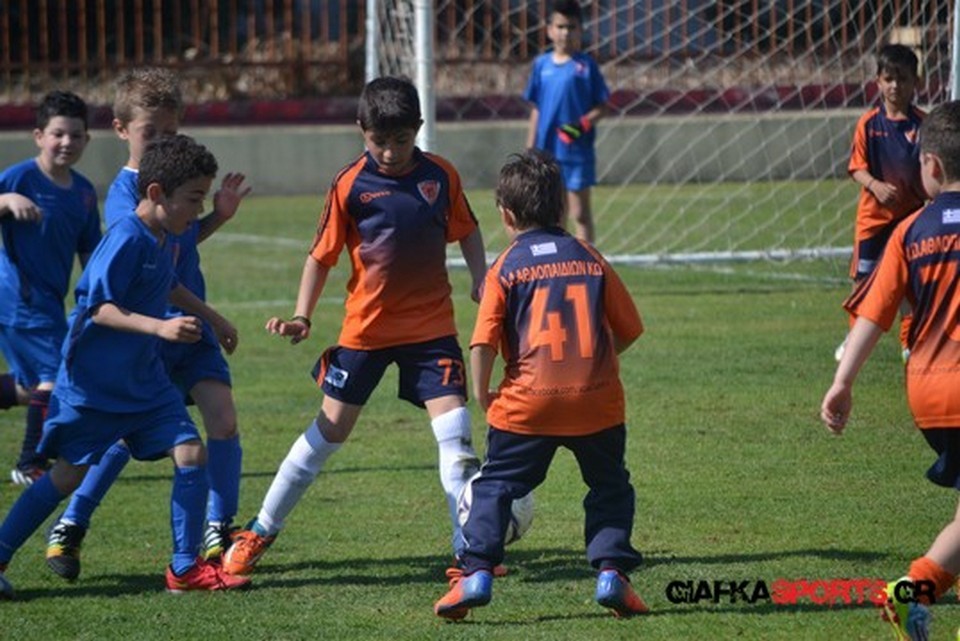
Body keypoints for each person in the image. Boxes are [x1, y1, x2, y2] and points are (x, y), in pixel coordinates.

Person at [221, 76, 487, 577]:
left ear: (418, 129)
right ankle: (260, 529)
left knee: (455, 434)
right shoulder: (349, 185)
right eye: (379, 141)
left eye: (401, 140)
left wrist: (480, 278)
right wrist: (302, 316)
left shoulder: (441, 175)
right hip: (366, 332)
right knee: (329, 430)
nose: (389, 152)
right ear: (361, 129)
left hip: (431, 330)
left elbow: (468, 231)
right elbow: (320, 257)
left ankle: (469, 552)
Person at [0, 135, 250, 598]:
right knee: (67, 475)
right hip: (94, 386)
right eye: (193, 198)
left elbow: (168, 285)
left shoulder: (160, 236)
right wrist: (159, 327)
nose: (199, 209)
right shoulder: (125, 238)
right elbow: (99, 309)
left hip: (144, 382)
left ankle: (184, 567)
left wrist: (215, 319)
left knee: (191, 452)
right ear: (156, 193)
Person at [434, 150, 647, 620]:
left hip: (527, 403)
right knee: (610, 486)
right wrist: (593, 366)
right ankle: (612, 573)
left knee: (494, 486)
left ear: (506, 215)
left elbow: (483, 342)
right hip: (597, 403)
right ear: (563, 208)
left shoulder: (506, 267)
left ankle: (476, 573)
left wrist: (483, 393)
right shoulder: (590, 257)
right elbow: (630, 329)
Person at [819, 100, 960, 641]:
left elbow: (873, 315)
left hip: (927, 391)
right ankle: (911, 592)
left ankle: (916, 597)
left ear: (931, 166)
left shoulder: (909, 231)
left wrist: (842, 383)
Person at [0, 90, 101, 486]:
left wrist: (101, 296)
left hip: (49, 303)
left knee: (33, 385)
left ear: (87, 139)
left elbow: (90, 252)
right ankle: (31, 463)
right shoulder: (19, 178)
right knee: (58, 378)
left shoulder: (83, 192)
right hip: (18, 297)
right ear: (39, 136)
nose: (66, 142)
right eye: (58, 134)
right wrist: (6, 200)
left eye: (75, 135)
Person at [836, 43, 926, 362]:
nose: (895, 86)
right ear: (878, 81)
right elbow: (856, 167)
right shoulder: (869, 124)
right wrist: (875, 185)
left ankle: (910, 342)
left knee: (911, 284)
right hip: (873, 221)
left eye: (902, 79)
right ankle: (853, 338)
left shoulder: (923, 125)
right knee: (863, 283)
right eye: (889, 79)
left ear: (916, 82)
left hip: (911, 221)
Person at [522, 0, 610, 244]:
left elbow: (603, 106)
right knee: (554, 215)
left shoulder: (586, 66)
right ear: (550, 30)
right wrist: (530, 146)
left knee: (580, 213)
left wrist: (580, 126)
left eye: (571, 27)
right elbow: (536, 108)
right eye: (560, 27)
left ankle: (586, 259)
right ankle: (560, 260)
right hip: (547, 152)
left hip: (576, 151)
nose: (565, 33)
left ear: (580, 30)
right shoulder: (541, 65)